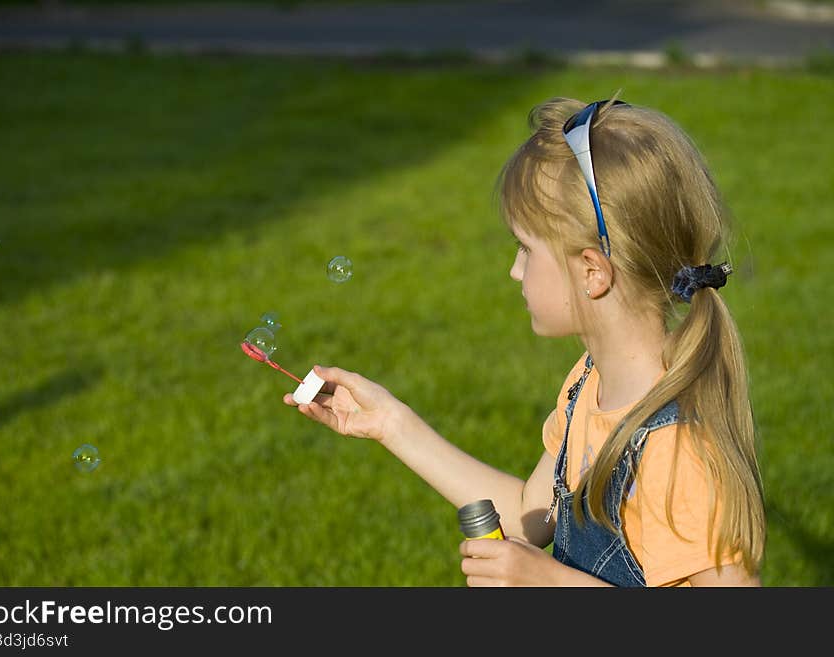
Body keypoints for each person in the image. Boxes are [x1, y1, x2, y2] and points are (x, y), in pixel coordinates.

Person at [283, 96, 766, 587]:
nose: (513, 270)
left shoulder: (674, 444)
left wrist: (552, 583)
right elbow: (525, 515)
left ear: (591, 271)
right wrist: (390, 423)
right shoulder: (590, 382)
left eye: (525, 248)